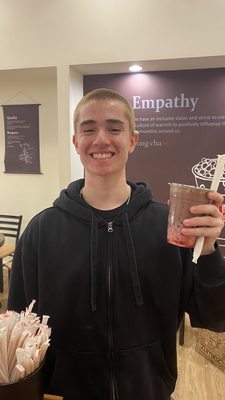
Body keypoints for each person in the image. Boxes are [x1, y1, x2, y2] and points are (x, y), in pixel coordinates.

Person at [8, 88, 225, 400]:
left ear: (132, 140)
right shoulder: (41, 232)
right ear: (76, 143)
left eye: (114, 128)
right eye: (88, 129)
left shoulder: (170, 227)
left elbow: (216, 318)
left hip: (150, 391)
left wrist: (207, 251)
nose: (101, 139)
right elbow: (20, 332)